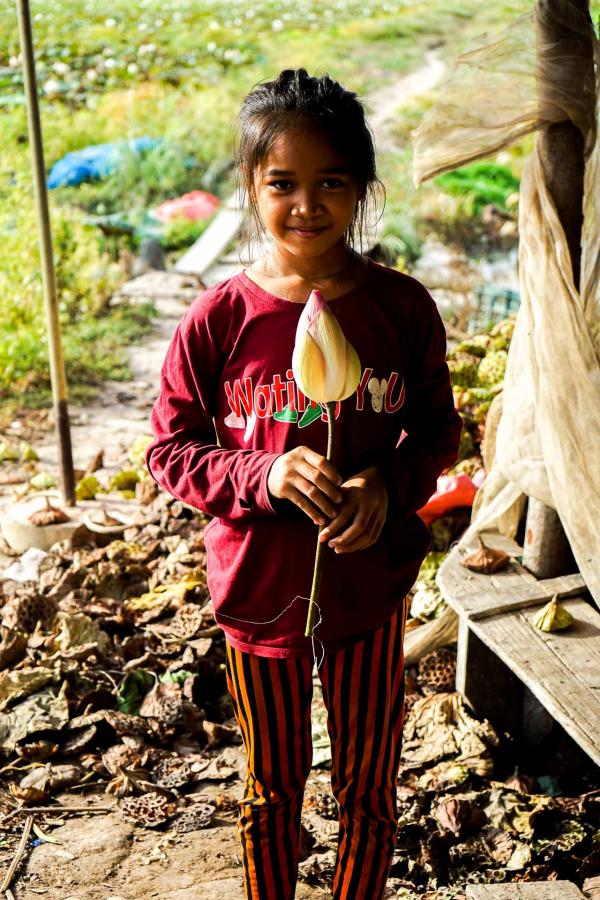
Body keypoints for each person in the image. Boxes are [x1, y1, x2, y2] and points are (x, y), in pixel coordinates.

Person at [146, 68, 462, 900]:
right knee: (272, 792)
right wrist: (264, 471)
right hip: (261, 593)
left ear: (362, 188)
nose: (307, 205)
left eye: (331, 182)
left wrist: (387, 489)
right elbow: (170, 450)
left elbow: (436, 428)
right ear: (251, 187)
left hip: (367, 589)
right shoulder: (220, 319)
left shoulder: (401, 308)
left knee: (367, 792)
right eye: (282, 183)